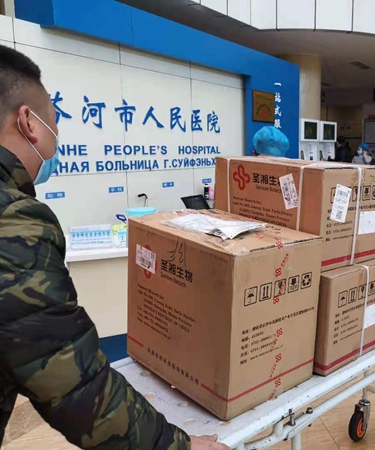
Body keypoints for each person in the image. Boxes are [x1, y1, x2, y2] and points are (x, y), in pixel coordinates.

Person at [0, 45, 228, 450]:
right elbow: (74, 383)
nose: (56, 140)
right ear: (29, 122)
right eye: (55, 123)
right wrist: (178, 446)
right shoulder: (13, 222)